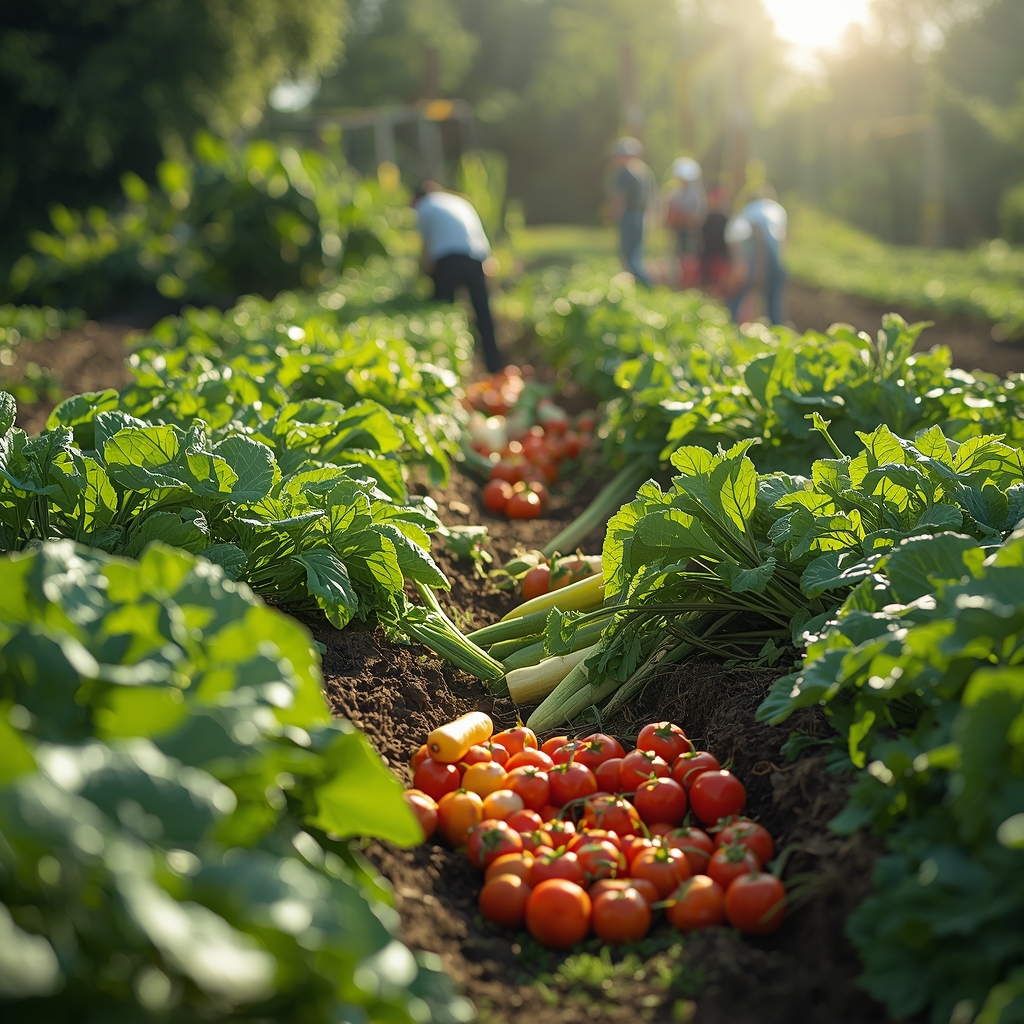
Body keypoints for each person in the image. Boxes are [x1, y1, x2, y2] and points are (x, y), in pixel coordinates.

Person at [412, 182, 502, 372]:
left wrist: (421, 276)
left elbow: (427, 246)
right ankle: (494, 366)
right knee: (483, 313)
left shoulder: (424, 207)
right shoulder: (459, 202)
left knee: (445, 315)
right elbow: (478, 235)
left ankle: (451, 369)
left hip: (446, 261)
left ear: (417, 198)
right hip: (475, 259)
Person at [723, 194, 788, 325]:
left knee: (737, 297)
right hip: (774, 263)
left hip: (758, 263)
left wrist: (759, 270)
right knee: (774, 304)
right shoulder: (773, 212)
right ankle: (777, 334)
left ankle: (733, 327)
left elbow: (761, 241)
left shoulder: (751, 213)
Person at [607, 138, 657, 287]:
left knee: (629, 257)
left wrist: (610, 215)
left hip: (629, 215)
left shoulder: (625, 173)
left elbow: (619, 198)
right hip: (640, 216)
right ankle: (643, 285)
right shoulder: (642, 171)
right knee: (637, 254)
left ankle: (647, 285)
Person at [665, 157, 707, 288]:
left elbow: (696, 217)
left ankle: (688, 284)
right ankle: (679, 283)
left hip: (689, 231)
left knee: (689, 258)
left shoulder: (695, 194)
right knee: (679, 257)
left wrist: (680, 216)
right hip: (678, 230)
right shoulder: (678, 192)